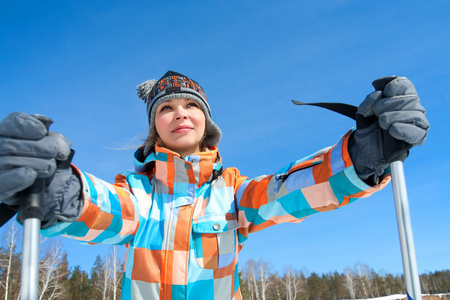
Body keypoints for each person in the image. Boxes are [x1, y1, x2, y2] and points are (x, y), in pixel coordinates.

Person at [0, 71, 429, 299]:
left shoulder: (235, 193)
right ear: (155, 127)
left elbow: (291, 191)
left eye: (191, 105)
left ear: (206, 122)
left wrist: (363, 156)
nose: (180, 113)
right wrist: (58, 188)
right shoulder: (138, 194)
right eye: (166, 107)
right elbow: (106, 209)